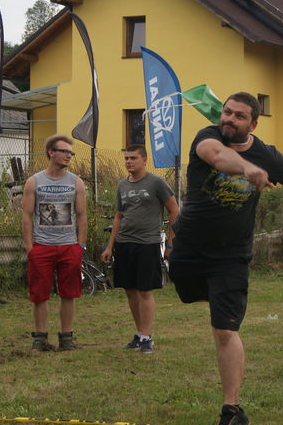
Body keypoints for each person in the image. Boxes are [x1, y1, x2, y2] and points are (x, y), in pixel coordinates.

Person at [169, 92, 283, 425]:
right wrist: (247, 168)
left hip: (230, 256)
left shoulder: (267, 154)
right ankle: (217, 297)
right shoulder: (207, 136)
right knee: (187, 291)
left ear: (253, 124)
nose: (229, 119)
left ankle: (232, 409)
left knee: (225, 328)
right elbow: (217, 156)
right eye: (227, 112)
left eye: (239, 116)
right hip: (190, 248)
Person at [101, 144, 179, 353]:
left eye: (133, 158)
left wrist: (171, 243)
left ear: (144, 160)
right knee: (130, 290)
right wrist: (110, 246)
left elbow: (174, 210)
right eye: (126, 158)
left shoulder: (156, 182)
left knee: (145, 290)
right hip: (124, 243)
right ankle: (139, 333)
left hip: (147, 243)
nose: (129, 162)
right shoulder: (122, 185)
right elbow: (119, 216)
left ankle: (147, 336)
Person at [21, 134, 87, 352]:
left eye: (71, 153)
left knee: (69, 293)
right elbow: (26, 215)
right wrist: (30, 247)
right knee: (39, 294)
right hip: (42, 246)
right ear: (51, 153)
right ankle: (40, 337)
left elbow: (82, 216)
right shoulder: (34, 181)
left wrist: (80, 246)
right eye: (64, 151)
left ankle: (66, 337)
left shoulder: (76, 182)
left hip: (69, 246)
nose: (69, 156)